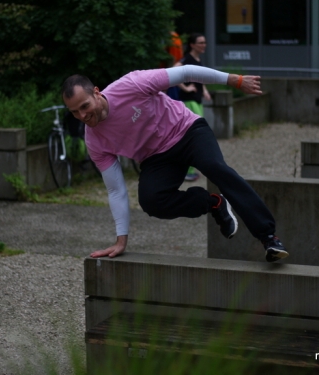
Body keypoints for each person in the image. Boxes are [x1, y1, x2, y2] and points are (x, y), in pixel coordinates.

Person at [61, 65, 289, 263]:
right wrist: (121, 240)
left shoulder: (131, 84)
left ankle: (269, 238)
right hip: (156, 157)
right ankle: (213, 203)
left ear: (97, 93)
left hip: (187, 131)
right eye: (74, 112)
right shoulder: (94, 141)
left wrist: (235, 80)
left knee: (215, 168)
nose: (82, 116)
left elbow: (186, 72)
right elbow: (116, 190)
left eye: (84, 106)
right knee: (152, 201)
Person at [173, 33, 211, 181]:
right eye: (200, 43)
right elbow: (173, 70)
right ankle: (186, 171)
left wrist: (205, 91)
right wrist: (185, 88)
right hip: (189, 101)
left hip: (197, 100)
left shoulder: (197, 60)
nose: (204, 45)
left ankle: (189, 169)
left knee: (196, 134)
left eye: (204, 42)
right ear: (192, 45)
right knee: (193, 134)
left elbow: (201, 78)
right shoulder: (186, 60)